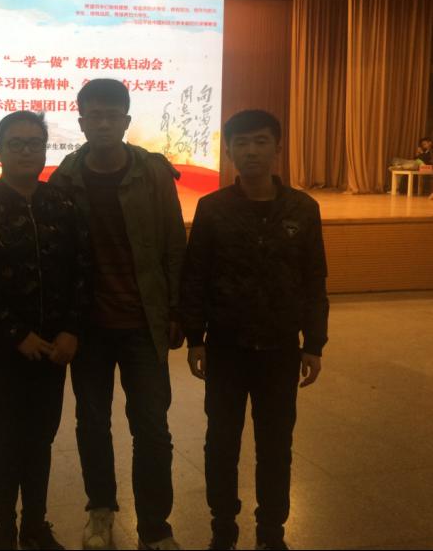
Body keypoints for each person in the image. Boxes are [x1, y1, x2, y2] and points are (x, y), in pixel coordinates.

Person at [181, 109, 329, 551]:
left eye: (261, 141)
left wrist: (314, 343)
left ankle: (271, 532)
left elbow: (314, 279)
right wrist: (195, 338)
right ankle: (223, 527)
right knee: (221, 443)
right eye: (242, 143)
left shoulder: (302, 208)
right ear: (229, 151)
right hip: (226, 348)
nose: (251, 151)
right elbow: (196, 277)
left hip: (281, 349)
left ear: (277, 148)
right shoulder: (213, 208)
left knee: (276, 445)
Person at [49, 79, 186, 551]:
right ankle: (101, 510)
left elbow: (173, 243)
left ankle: (155, 526)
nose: (104, 123)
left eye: (113, 115)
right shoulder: (65, 177)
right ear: (81, 120)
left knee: (153, 428)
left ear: (126, 121)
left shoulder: (152, 173)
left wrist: (176, 309)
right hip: (89, 328)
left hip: (143, 322)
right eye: (95, 115)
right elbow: (58, 258)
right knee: (92, 425)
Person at [0, 111, 87, 550]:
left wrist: (71, 330)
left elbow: (82, 271)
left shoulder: (63, 204)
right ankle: (2, 528)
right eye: (16, 143)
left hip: (55, 348)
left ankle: (35, 524)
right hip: (2, 350)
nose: (26, 150)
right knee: (7, 439)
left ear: (45, 149)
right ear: (0, 150)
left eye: (35, 143)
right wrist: (17, 334)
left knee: (42, 438)